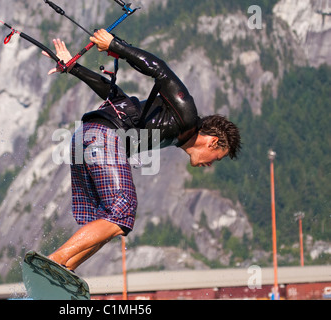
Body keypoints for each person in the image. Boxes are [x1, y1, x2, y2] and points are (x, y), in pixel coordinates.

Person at [42, 29, 242, 272]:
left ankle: (65, 267)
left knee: (105, 219)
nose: (209, 165)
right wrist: (116, 44)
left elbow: (116, 98)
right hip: (102, 137)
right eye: (215, 159)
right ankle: (56, 261)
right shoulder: (186, 114)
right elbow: (161, 70)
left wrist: (73, 67)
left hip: (85, 137)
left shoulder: (171, 134)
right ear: (212, 142)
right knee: (122, 210)